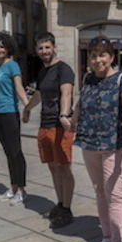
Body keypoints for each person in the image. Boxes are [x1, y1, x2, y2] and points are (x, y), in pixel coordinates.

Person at [71, 37, 122, 242]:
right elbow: (81, 103)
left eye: (102, 55)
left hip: (115, 144)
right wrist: (73, 120)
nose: (98, 60)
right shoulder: (88, 78)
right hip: (89, 142)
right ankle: (106, 236)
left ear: (112, 57)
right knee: (99, 192)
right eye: (94, 55)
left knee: (115, 195)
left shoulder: (121, 79)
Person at [23, 32, 76, 229]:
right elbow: (38, 94)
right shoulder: (42, 72)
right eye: (40, 48)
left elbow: (67, 93)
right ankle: (60, 203)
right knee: (53, 167)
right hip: (44, 125)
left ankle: (67, 209)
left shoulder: (64, 69)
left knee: (63, 167)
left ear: (54, 47)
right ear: (37, 50)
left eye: (47, 47)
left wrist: (63, 115)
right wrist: (27, 108)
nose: (44, 51)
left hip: (59, 126)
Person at [0, 32, 29, 206]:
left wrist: (27, 107)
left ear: (8, 48)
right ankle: (12, 187)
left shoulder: (13, 66)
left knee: (15, 152)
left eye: (2, 46)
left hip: (10, 112)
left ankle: (21, 189)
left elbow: (19, 88)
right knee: (7, 152)